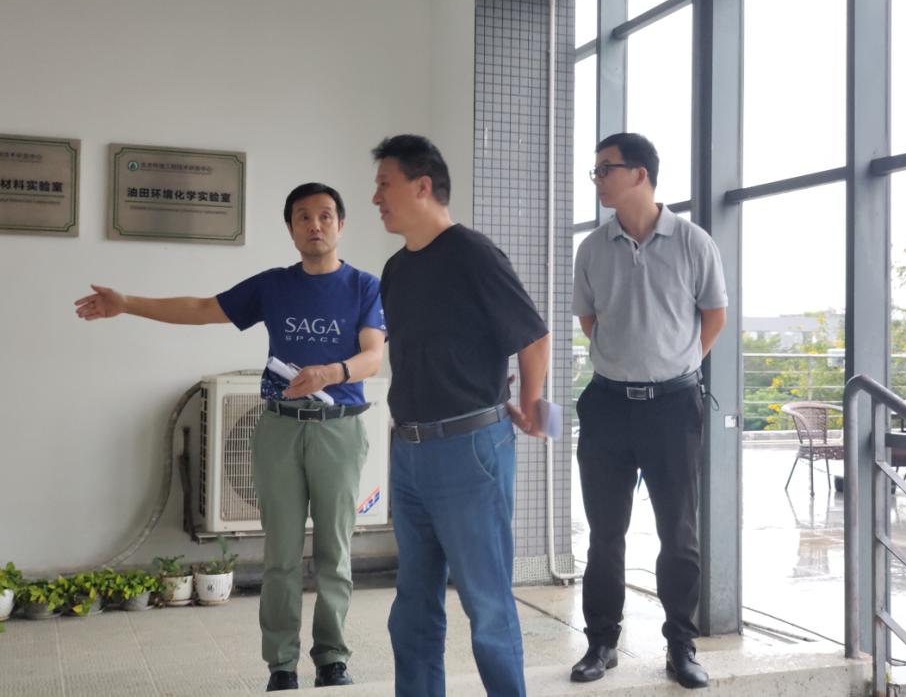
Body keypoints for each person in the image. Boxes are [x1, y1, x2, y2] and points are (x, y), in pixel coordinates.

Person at [74, 183, 386, 692]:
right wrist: (126, 303)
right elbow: (201, 308)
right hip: (280, 428)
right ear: (290, 229)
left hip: (339, 429)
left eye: (325, 215)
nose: (315, 225)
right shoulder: (273, 286)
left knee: (335, 553)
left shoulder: (364, 287)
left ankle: (332, 658)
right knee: (281, 555)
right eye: (303, 217)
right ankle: (281, 665)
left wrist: (331, 373)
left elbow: (373, 356)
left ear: (341, 224)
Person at [371, 134, 550, 697]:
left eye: (385, 184)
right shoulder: (396, 269)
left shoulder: (473, 253)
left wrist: (533, 404)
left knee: (487, 605)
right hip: (409, 452)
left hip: (470, 451)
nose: (376, 198)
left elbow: (534, 336)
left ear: (422, 186)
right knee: (413, 607)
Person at [570, 133, 727, 690]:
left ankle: (681, 647)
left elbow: (714, 314)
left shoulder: (692, 241)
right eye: (595, 170)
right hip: (607, 405)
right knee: (604, 534)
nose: (598, 180)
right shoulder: (592, 249)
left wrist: (675, 365)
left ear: (640, 174)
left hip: (673, 408)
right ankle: (601, 643)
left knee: (678, 534)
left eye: (605, 169)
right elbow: (590, 321)